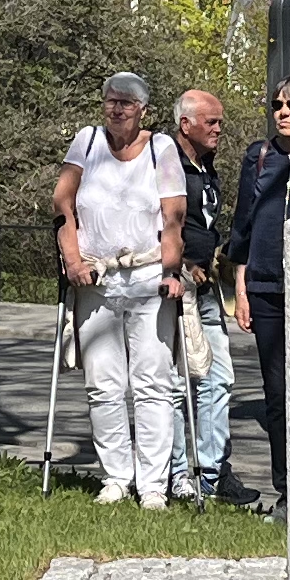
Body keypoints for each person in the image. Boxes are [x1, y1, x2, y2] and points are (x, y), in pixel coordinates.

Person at [57, 72, 186, 508]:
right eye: (111, 101)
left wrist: (172, 270)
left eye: (127, 103)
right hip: (96, 277)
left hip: (148, 277)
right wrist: (73, 260)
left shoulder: (161, 148)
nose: (117, 109)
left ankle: (153, 484)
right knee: (103, 384)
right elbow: (63, 201)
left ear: (143, 110)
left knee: (152, 382)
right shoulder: (88, 142)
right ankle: (115, 476)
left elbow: (174, 216)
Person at [225, 75, 290, 506]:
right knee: (277, 394)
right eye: (278, 104)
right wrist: (241, 289)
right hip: (265, 289)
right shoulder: (258, 158)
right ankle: (288, 493)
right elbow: (242, 227)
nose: (282, 112)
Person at [166, 88, 236, 506]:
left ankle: (211, 471)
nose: (218, 129)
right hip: (178, 285)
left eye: (220, 122)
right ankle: (178, 473)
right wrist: (181, 263)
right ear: (185, 124)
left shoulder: (206, 166)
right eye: (210, 122)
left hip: (207, 287)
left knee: (220, 377)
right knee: (179, 383)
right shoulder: (166, 164)